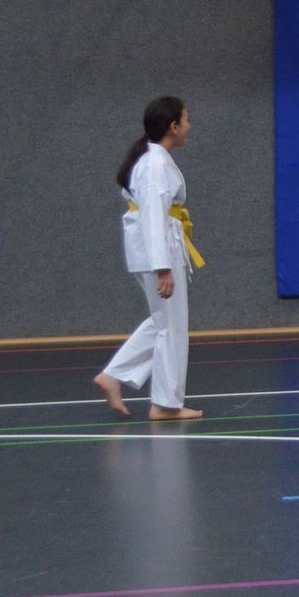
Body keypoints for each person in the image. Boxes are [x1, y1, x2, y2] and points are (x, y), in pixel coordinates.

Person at [94, 96, 204, 420]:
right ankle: (165, 404)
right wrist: (163, 267)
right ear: (173, 126)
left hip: (157, 246)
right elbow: (154, 217)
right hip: (159, 249)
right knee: (172, 326)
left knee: (163, 322)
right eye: (186, 120)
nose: (189, 126)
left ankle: (113, 375)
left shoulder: (152, 159)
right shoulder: (155, 165)